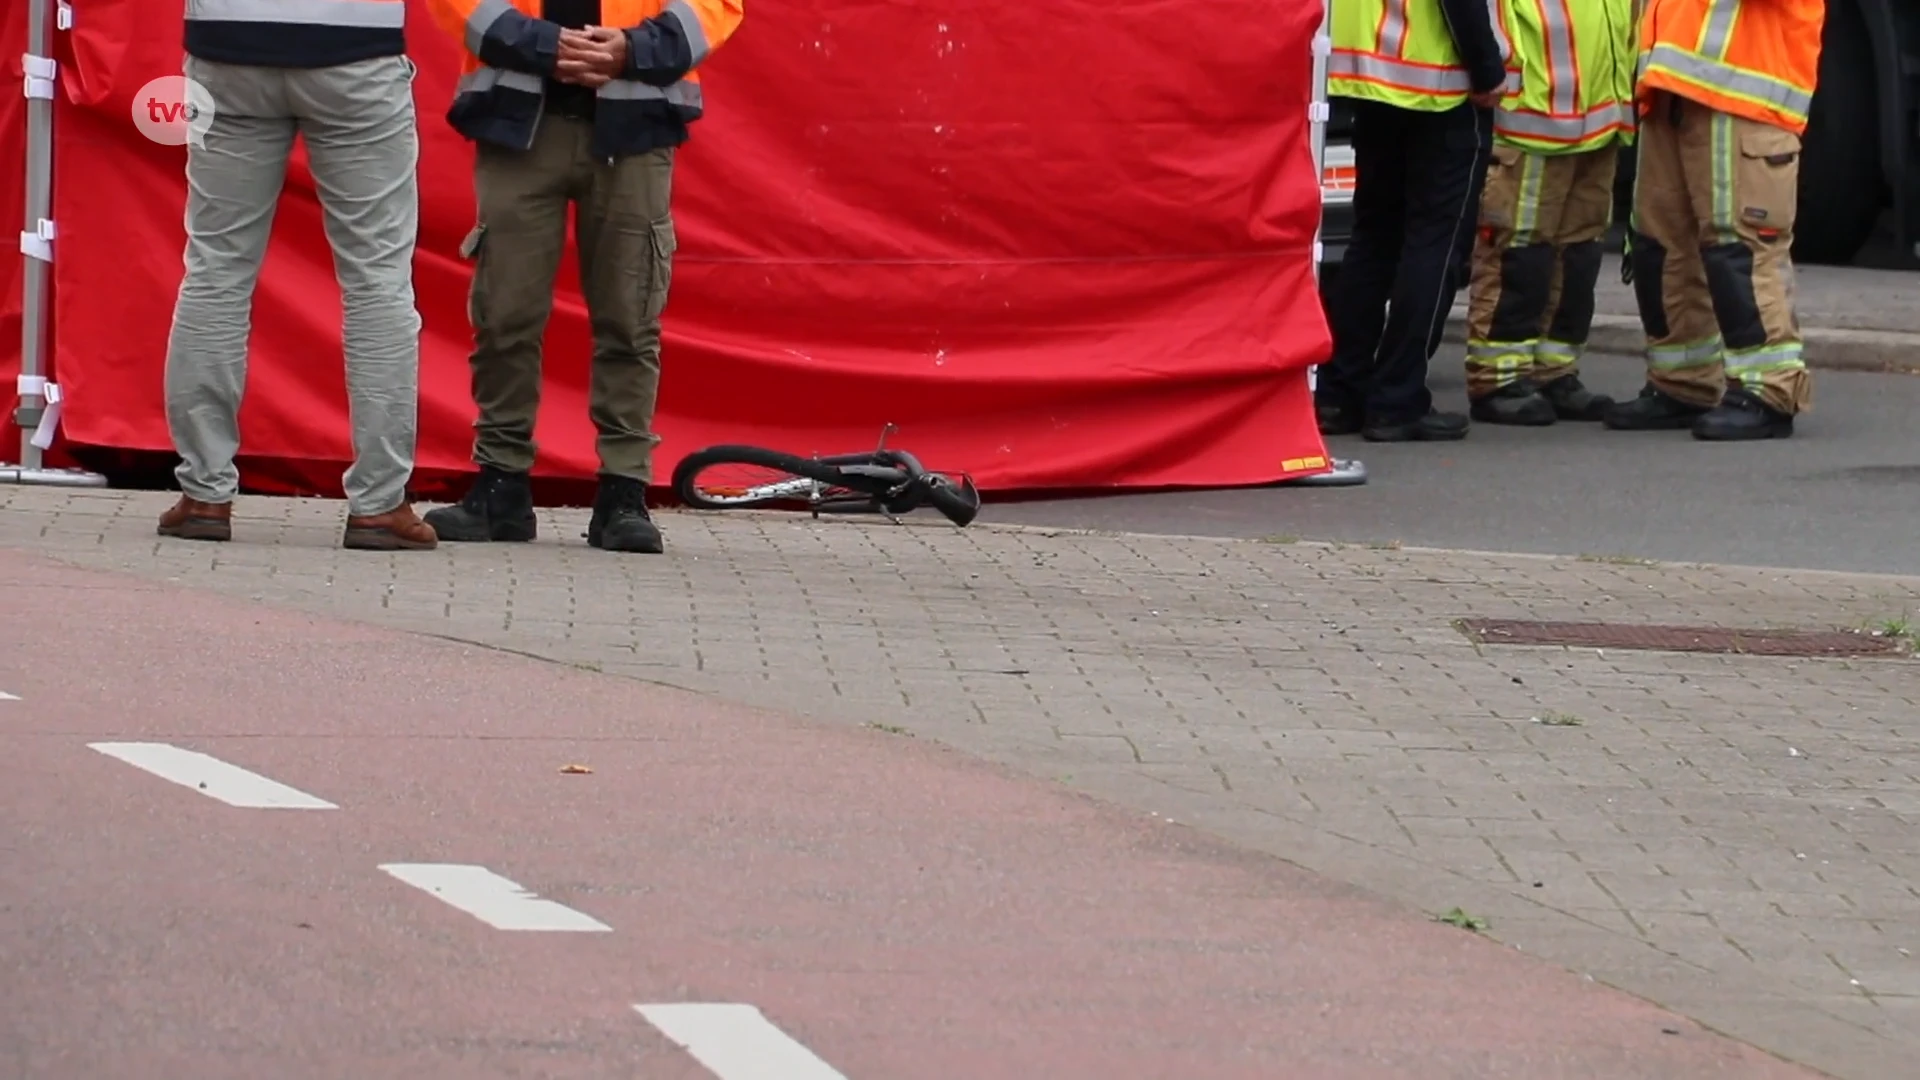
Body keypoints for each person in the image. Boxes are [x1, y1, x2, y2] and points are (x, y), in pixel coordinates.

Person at [421, 0, 743, 553]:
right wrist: (546, 46)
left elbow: (717, 7)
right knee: (505, 313)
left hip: (633, 133)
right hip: (520, 123)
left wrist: (633, 51)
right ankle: (502, 485)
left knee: (629, 317)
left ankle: (623, 492)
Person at [158, 0, 434, 549]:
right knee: (376, 279)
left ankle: (205, 492)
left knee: (216, 268)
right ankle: (379, 503)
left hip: (227, 43)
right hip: (358, 49)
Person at [1605, 0, 1824, 439]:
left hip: (1743, 96)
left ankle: (1768, 390)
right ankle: (1682, 383)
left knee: (1740, 248)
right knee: (1662, 248)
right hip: (1672, 87)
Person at [1316, 0, 1512, 442]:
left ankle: (1340, 394)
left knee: (1373, 238)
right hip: (1437, 83)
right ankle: (1396, 399)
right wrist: (1486, 68)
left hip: (1369, 76)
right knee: (1435, 245)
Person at [1462, 0, 1636, 426]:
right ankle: (1499, 376)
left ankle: (1554, 370)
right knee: (1518, 251)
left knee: (1579, 252)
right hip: (1530, 113)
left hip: (1598, 113)